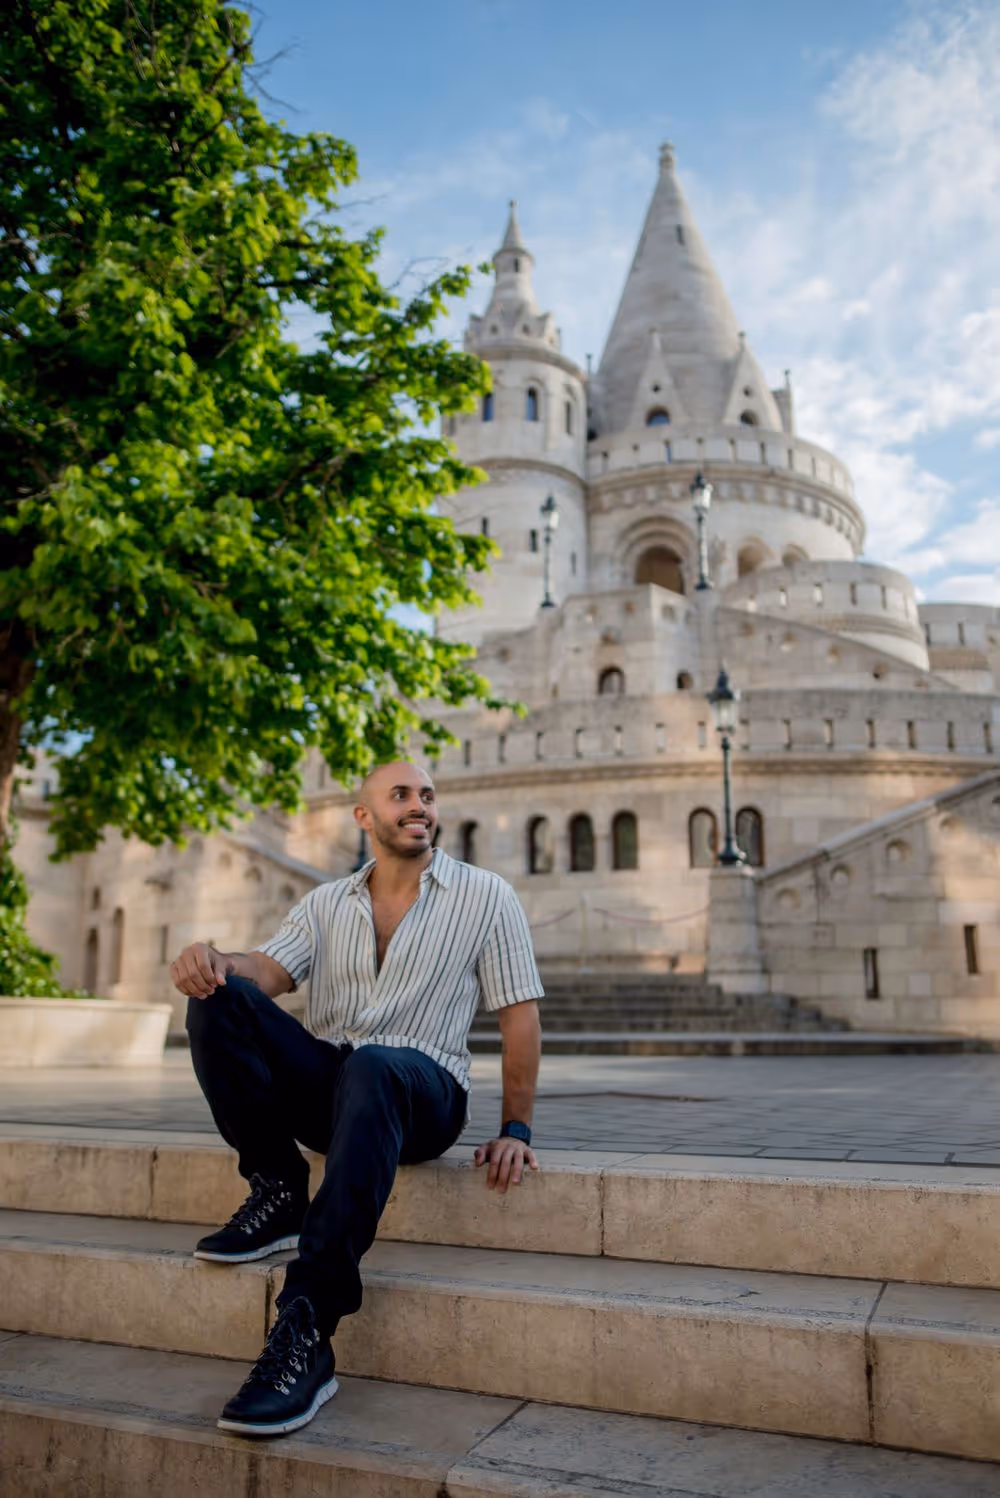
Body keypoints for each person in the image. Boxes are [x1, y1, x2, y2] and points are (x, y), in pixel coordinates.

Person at [170, 761, 543, 1438]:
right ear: (364, 816)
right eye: (400, 795)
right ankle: (279, 1188)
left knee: (375, 1065)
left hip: (425, 1093)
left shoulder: (486, 896)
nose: (419, 806)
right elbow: (269, 973)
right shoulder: (326, 904)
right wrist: (214, 959)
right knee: (218, 1001)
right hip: (338, 1089)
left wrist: (516, 1126)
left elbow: (519, 1015)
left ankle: (308, 1323)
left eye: (427, 795)